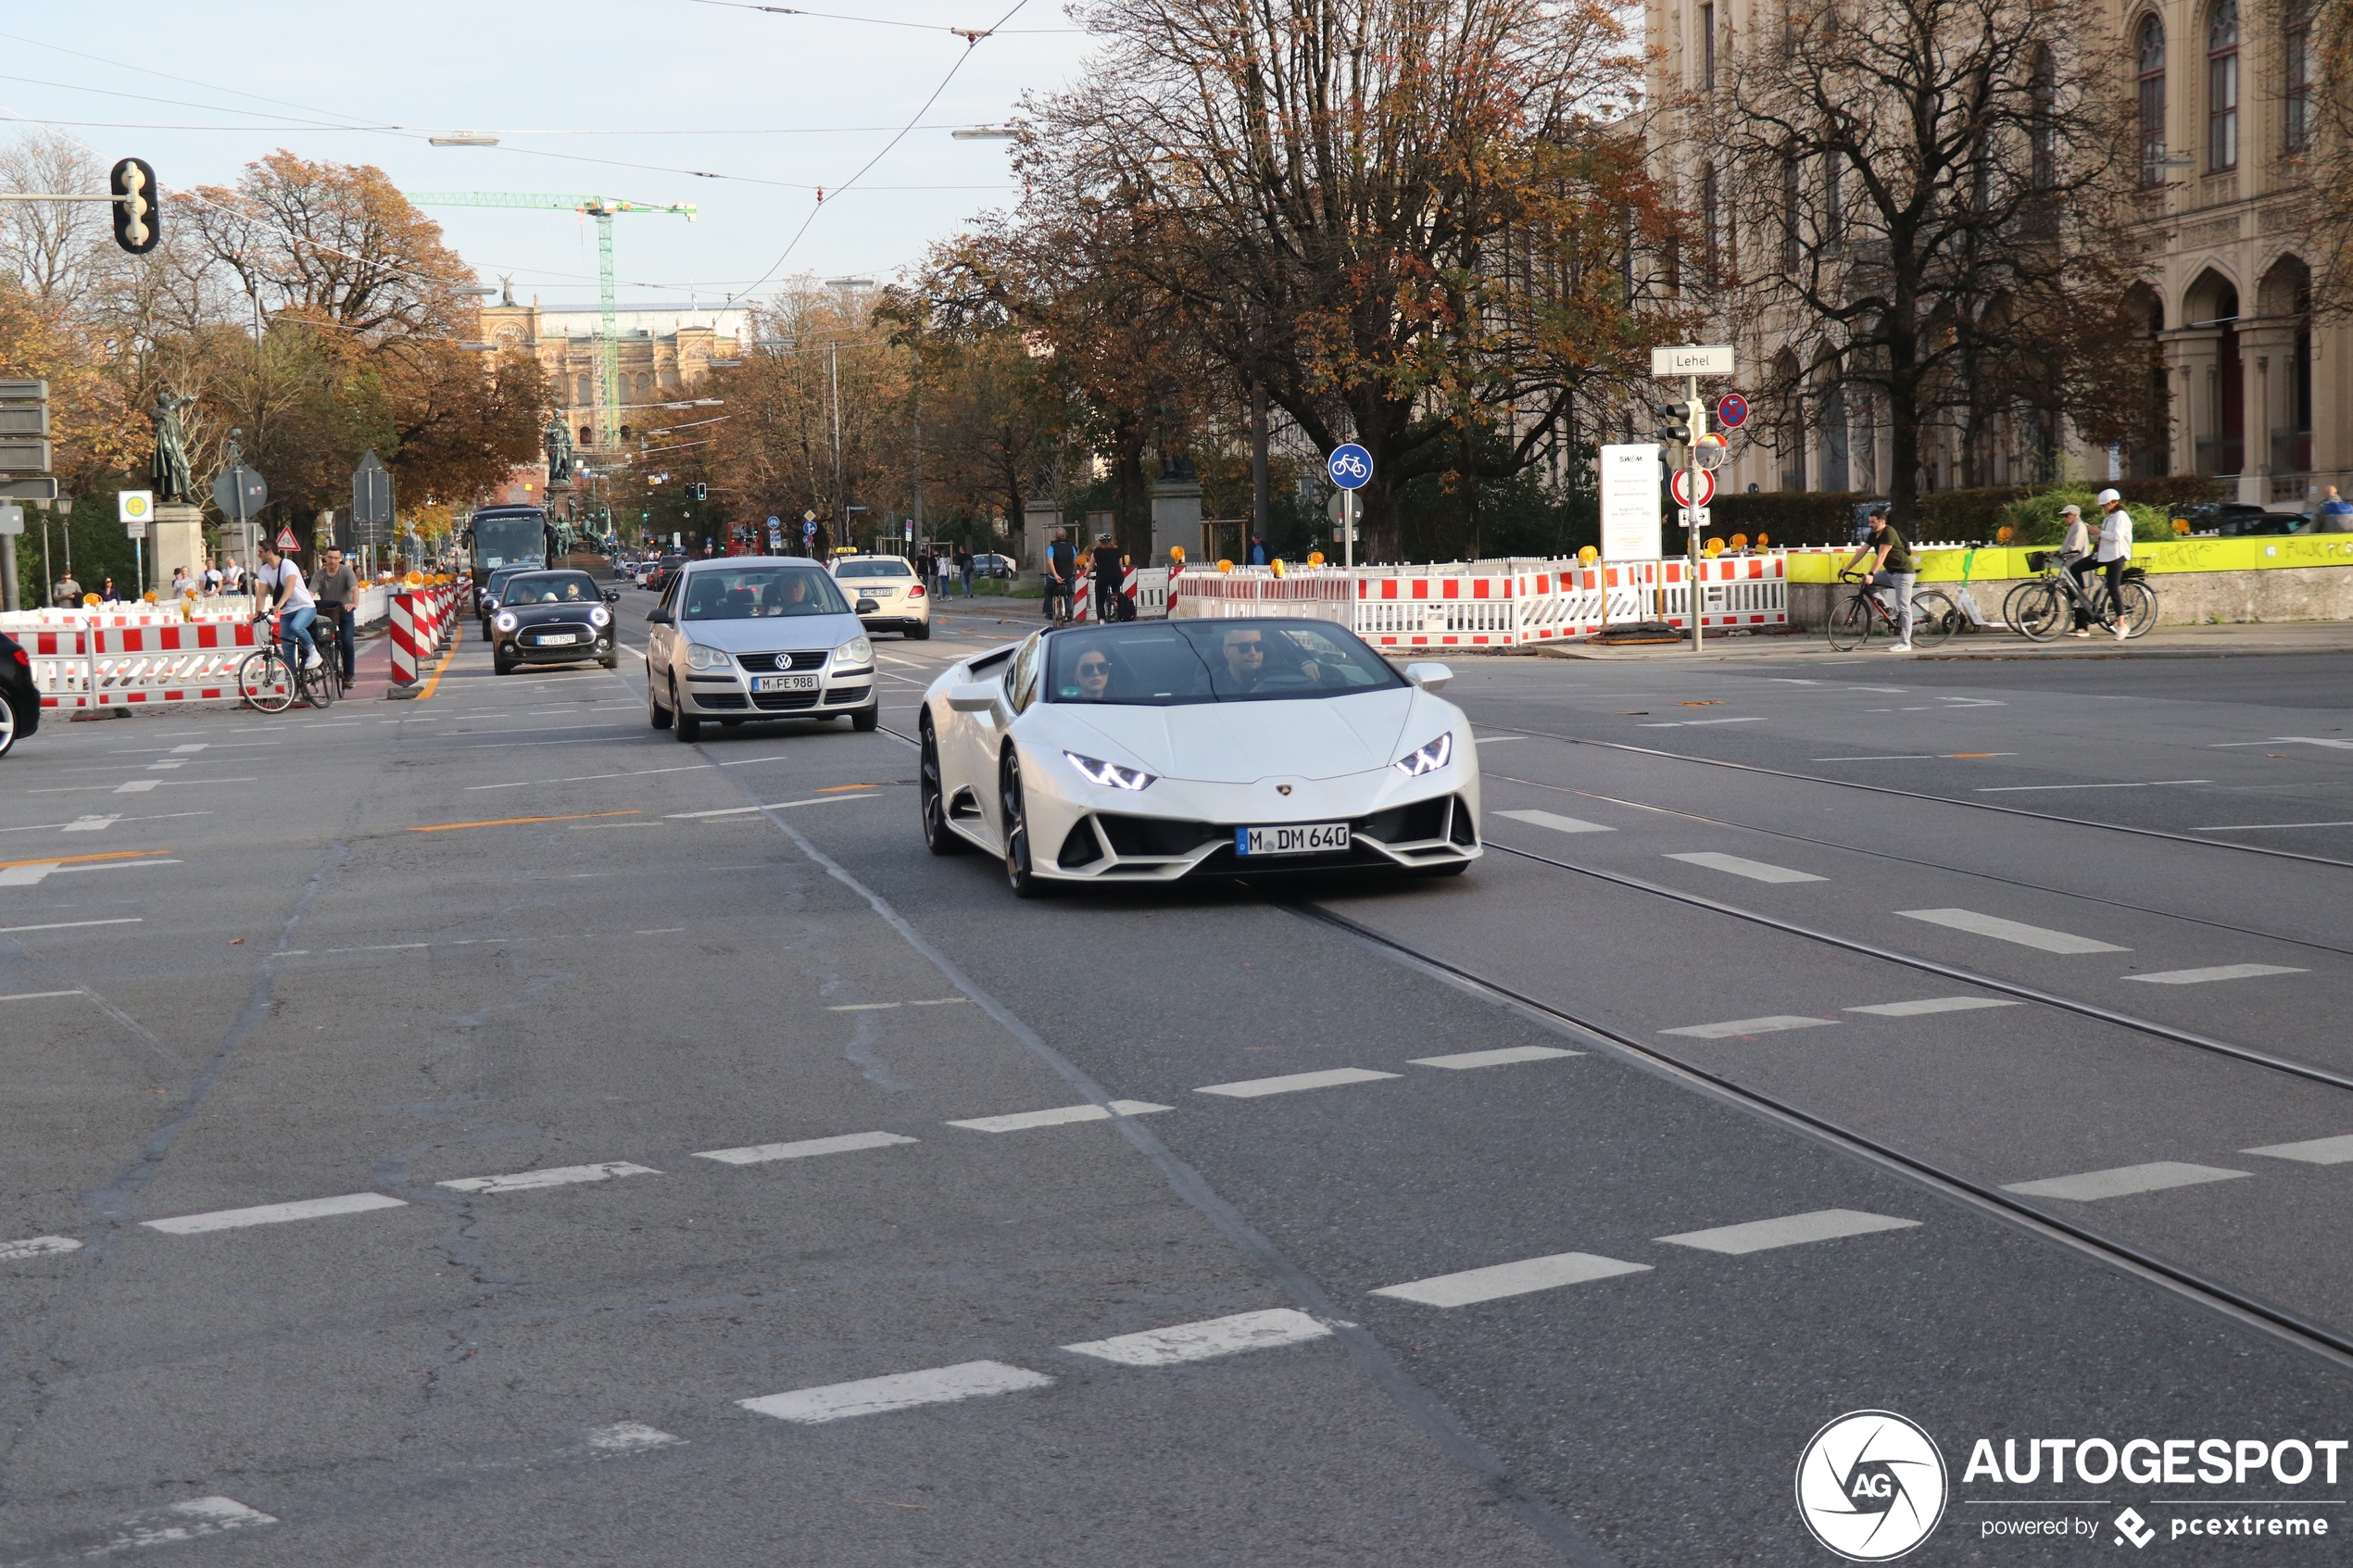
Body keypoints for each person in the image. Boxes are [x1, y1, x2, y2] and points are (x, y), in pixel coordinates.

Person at [1839, 503, 1917, 651]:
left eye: (1873, 522)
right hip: (1890, 572)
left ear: (1882, 522)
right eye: (1869, 522)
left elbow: (1881, 556)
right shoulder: (1873, 534)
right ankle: (1887, 609)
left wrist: (1871, 574)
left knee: (1904, 607)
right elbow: (1861, 552)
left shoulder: (1889, 533)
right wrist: (1846, 568)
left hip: (1903, 573)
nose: (1870, 525)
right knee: (1867, 584)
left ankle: (1906, 643)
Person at [251, 540, 321, 671]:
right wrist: (257, 614)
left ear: (270, 552)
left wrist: (280, 603)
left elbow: (290, 585)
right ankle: (292, 684)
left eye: (260, 552)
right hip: (287, 613)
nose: (258, 555)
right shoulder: (265, 570)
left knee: (296, 626)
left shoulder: (288, 565)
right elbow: (261, 593)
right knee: (288, 650)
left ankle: (313, 652)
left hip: (304, 607)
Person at [314, 546, 359, 684]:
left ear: (340, 559)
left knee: (347, 642)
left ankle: (348, 676)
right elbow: (310, 592)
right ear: (325, 558)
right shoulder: (319, 575)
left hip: (344, 610)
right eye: (330, 557)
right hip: (326, 613)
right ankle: (322, 663)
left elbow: (355, 589)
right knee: (318, 639)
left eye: (335, 558)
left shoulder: (346, 572)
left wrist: (353, 604)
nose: (332, 561)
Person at [2095, 487, 2134, 643]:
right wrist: (2095, 533)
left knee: (2113, 588)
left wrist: (2099, 532)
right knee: (2108, 587)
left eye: (2105, 505)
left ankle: (2122, 625)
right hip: (2107, 555)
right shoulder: (2109, 518)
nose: (2103, 508)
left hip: (2118, 555)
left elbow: (2116, 536)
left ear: (2114, 502)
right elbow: (2105, 536)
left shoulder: (2121, 516)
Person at [2056, 504, 2099, 636]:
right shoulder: (2075, 526)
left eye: (2066, 515)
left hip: (2078, 567)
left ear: (2075, 515)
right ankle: (2079, 626)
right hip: (2073, 567)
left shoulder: (2079, 527)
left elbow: (2075, 547)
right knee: (2075, 596)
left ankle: (2083, 627)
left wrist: (2059, 552)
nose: (2064, 518)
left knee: (2080, 596)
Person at [1043, 527, 1077, 621]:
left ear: (1056, 536)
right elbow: (1074, 562)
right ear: (1065, 536)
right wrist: (1072, 572)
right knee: (1069, 592)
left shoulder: (1052, 547)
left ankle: (1049, 612)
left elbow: (1050, 562)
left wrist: (1055, 575)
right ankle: (1069, 611)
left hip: (1054, 577)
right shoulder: (1072, 547)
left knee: (1048, 591)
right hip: (1067, 576)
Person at [1091, 534, 1126, 622]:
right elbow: (1120, 565)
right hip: (1116, 577)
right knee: (1117, 594)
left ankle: (1101, 619)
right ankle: (1120, 613)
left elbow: (1091, 565)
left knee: (1100, 599)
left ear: (1100, 542)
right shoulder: (1116, 550)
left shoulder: (1097, 551)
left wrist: (1086, 574)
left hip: (1103, 577)